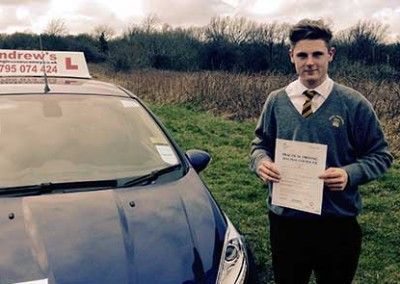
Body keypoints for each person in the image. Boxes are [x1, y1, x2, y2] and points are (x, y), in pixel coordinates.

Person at [250, 19, 393, 284]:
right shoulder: (276, 101)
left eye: (317, 54)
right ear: (291, 56)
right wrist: (261, 162)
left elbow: (381, 155)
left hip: (336, 223)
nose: (310, 62)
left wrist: (350, 174)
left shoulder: (353, 103)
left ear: (331, 54)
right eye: (302, 55)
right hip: (287, 224)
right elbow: (259, 145)